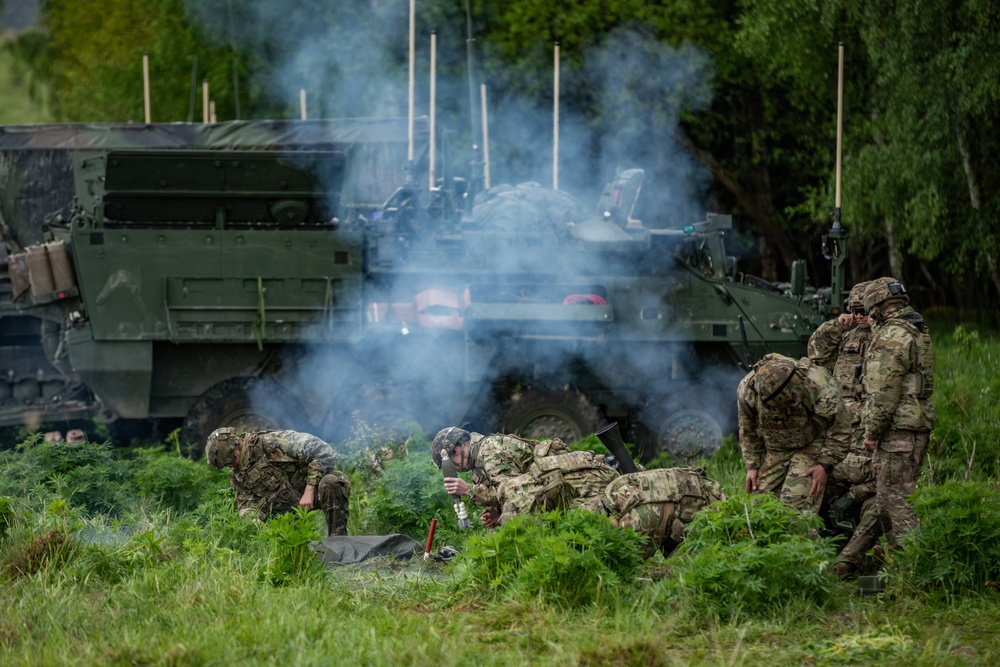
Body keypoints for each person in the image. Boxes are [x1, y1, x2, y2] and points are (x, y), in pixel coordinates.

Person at [808, 281, 881, 578]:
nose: (860, 316)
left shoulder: (888, 340)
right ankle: (814, 552)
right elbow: (815, 355)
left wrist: (855, 493)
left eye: (866, 311)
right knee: (811, 488)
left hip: (871, 440)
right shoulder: (845, 339)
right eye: (855, 310)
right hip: (840, 441)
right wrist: (835, 326)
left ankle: (849, 562)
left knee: (878, 502)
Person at [860, 277, 935, 550]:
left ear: (878, 306)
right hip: (915, 424)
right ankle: (900, 564)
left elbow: (884, 392)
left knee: (896, 503)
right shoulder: (915, 328)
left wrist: (871, 433)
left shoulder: (892, 335)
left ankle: (913, 569)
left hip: (897, 431)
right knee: (898, 498)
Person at [431, 426, 616, 526]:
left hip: (571, 486)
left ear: (456, 450)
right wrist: (498, 514)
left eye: (450, 464)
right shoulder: (479, 462)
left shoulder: (489, 450)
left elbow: (514, 492)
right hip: (550, 493)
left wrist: (469, 491)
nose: (457, 469)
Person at [737, 353, 851, 514]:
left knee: (796, 505)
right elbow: (747, 430)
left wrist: (825, 465)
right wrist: (752, 466)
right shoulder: (747, 390)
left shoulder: (820, 385)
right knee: (759, 505)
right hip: (776, 446)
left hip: (813, 443)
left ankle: (801, 537)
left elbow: (841, 429)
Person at [205, 427, 351, 536]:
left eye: (231, 462)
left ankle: (338, 541)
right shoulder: (238, 473)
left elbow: (323, 450)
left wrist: (310, 489)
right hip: (284, 511)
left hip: (310, 493)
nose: (232, 467)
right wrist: (252, 517)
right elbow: (245, 503)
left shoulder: (270, 442)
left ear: (235, 451)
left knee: (331, 482)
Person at [600, 467, 726, 558]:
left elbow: (629, 564)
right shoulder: (618, 491)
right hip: (701, 488)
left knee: (625, 557)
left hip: (702, 504)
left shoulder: (634, 517)